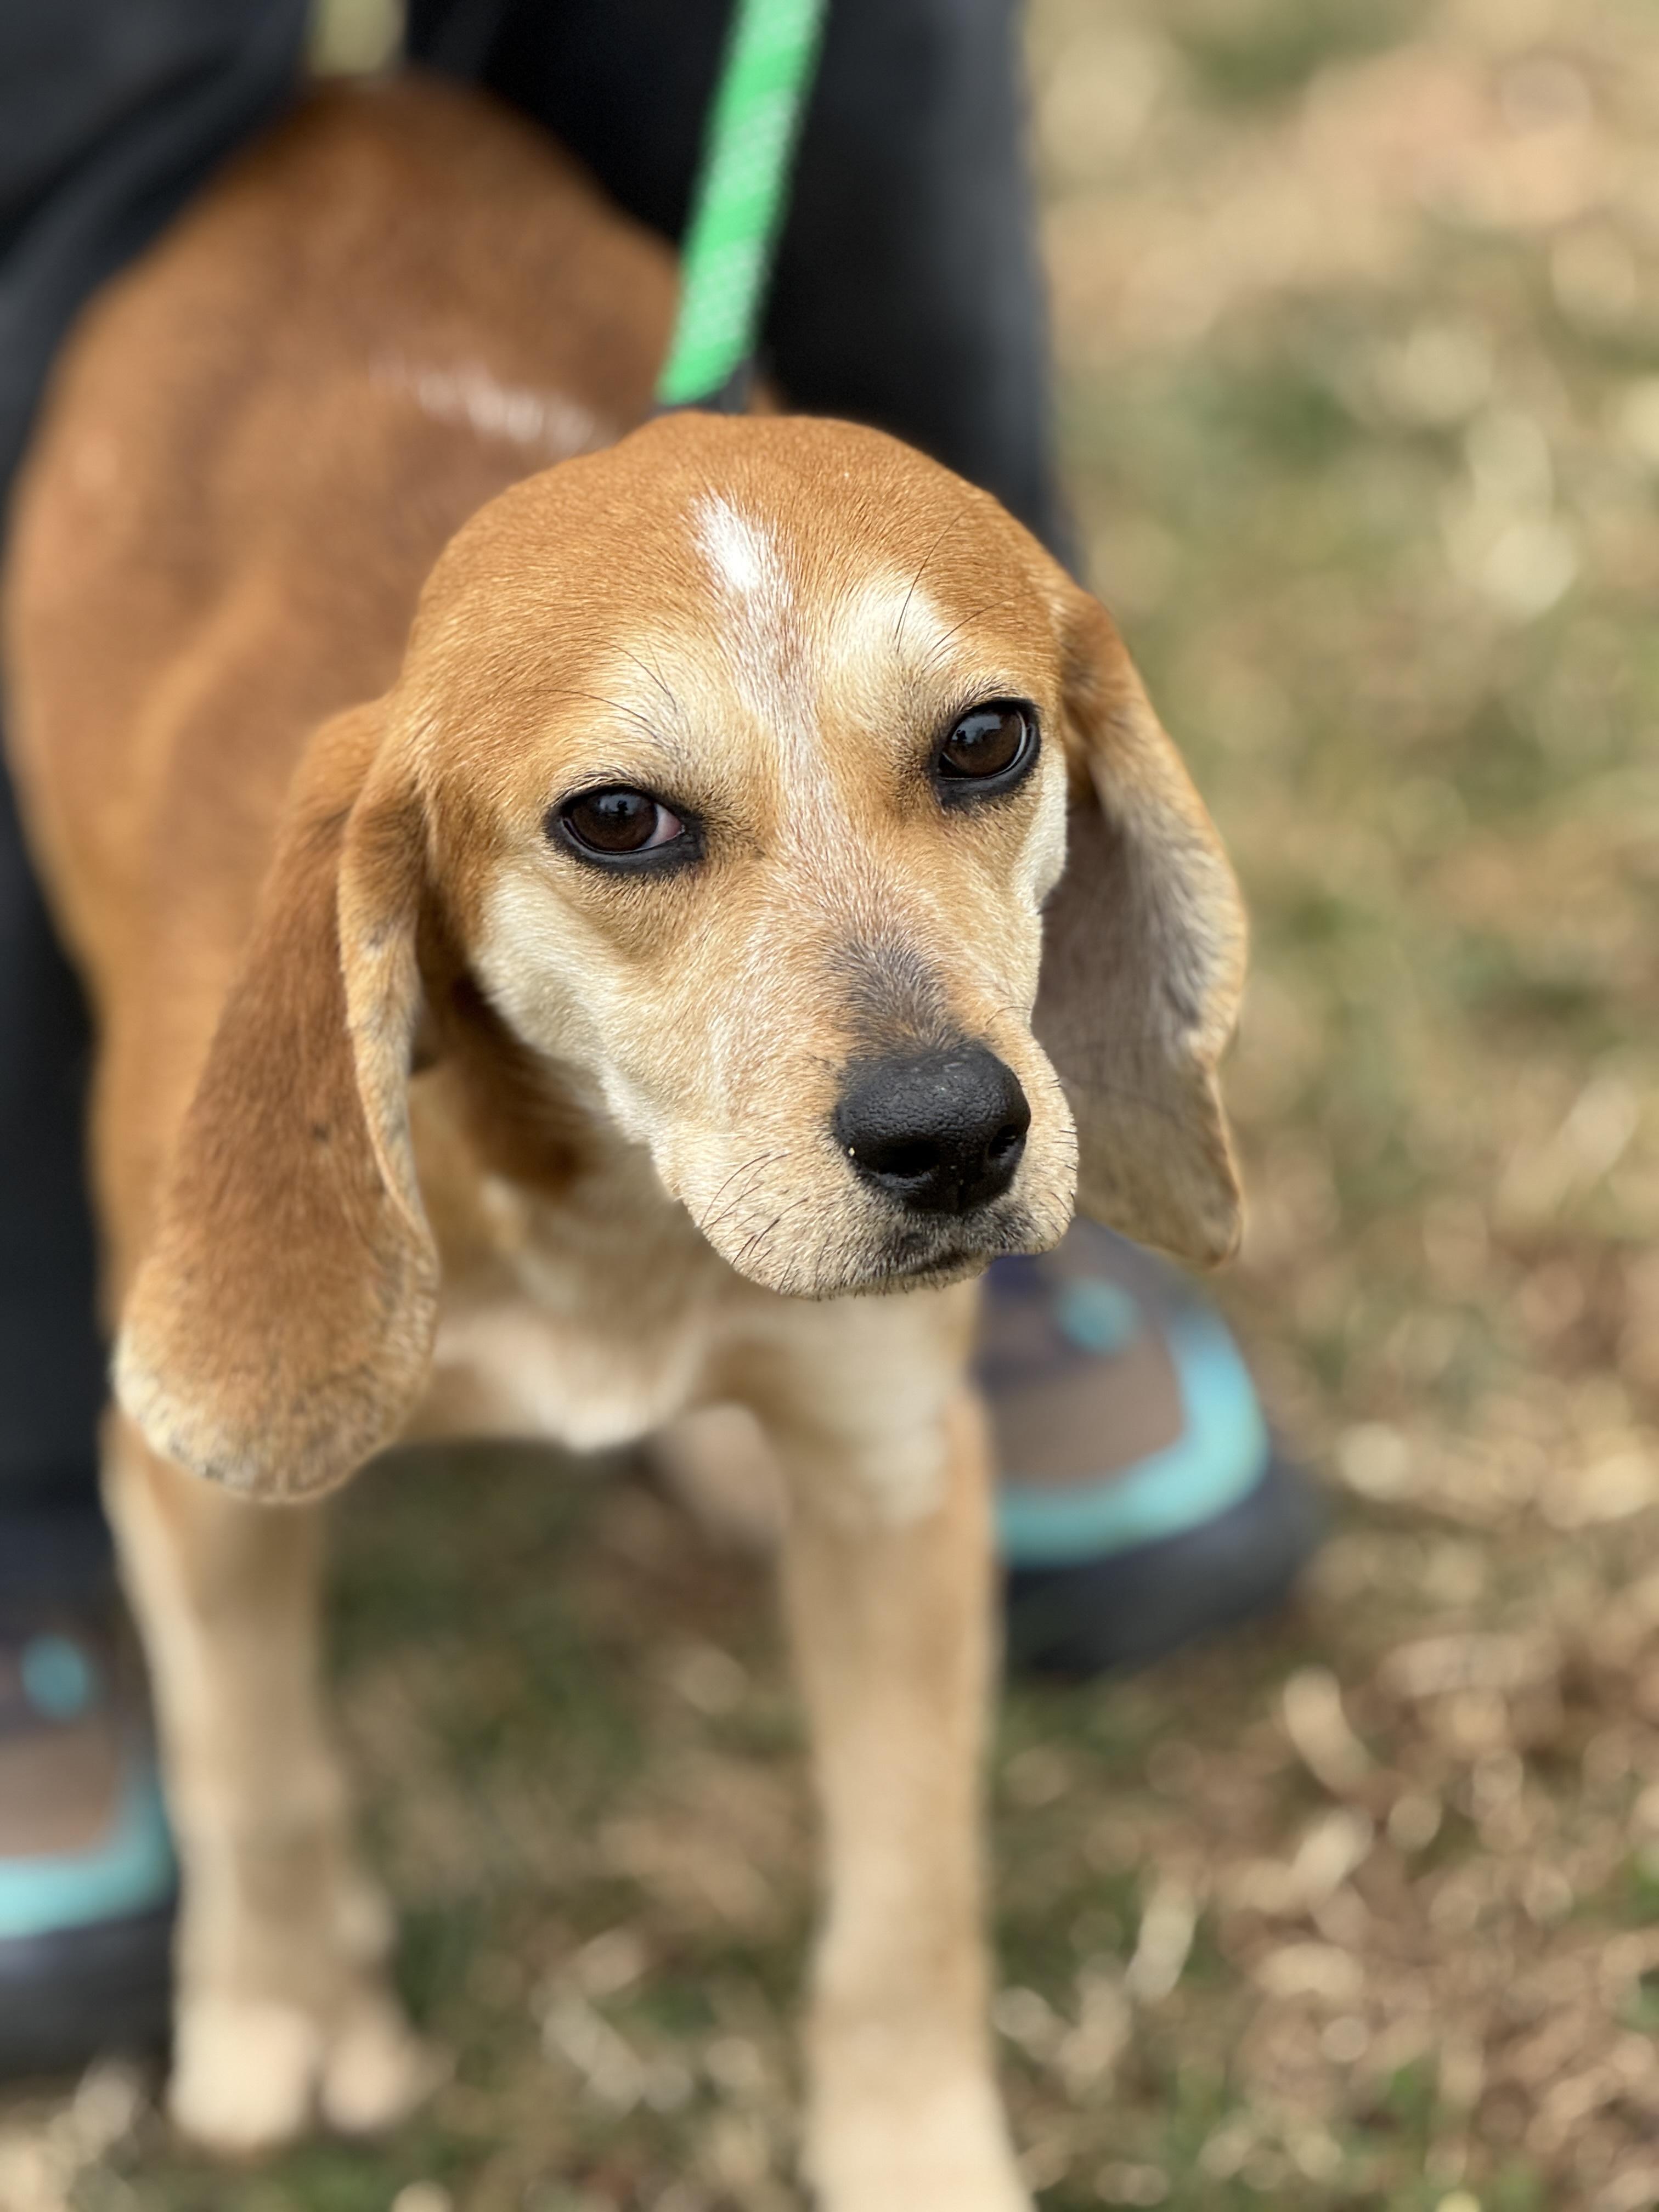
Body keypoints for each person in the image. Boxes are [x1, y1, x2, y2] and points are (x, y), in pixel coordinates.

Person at [0, 0, 1320, 2074]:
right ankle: (29, 1535)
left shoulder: (949, 1063)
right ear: (410, 920)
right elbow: (225, 1459)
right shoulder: (334, 928)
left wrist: (909, 2096)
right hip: (179, 439)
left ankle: (885, 2018)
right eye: (630, 825)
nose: (931, 1084)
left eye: (972, 750)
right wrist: (277, 1924)